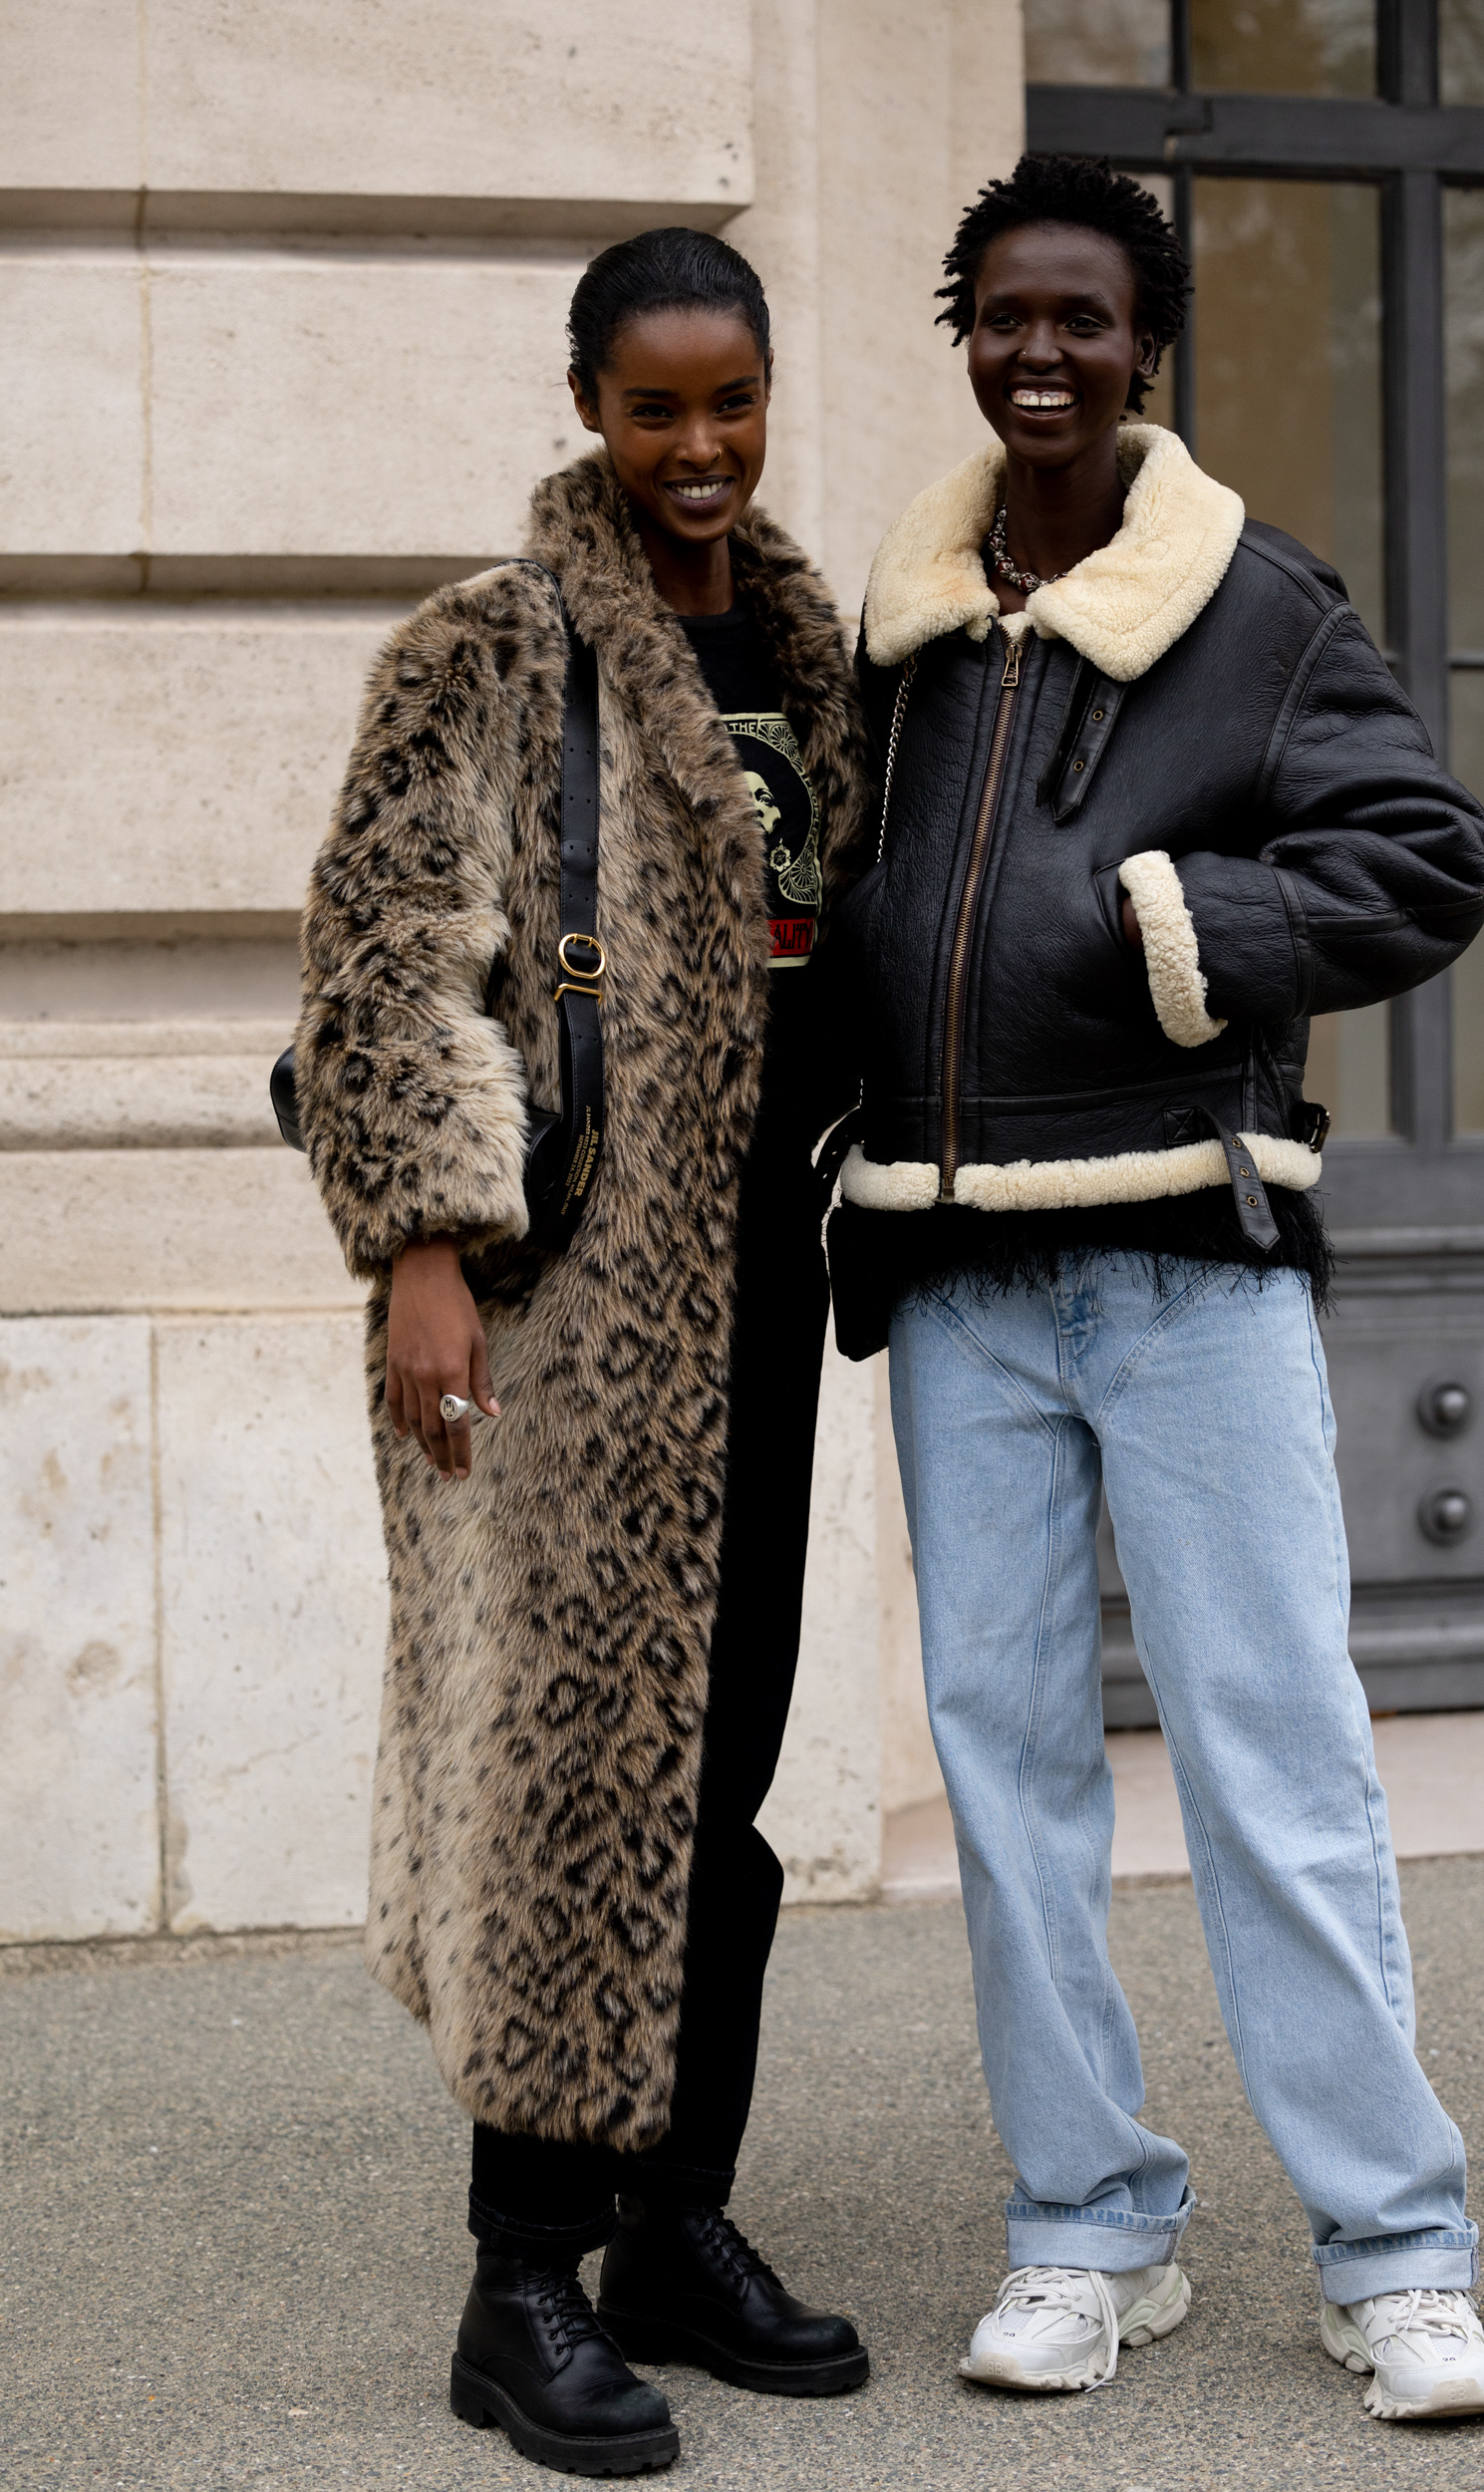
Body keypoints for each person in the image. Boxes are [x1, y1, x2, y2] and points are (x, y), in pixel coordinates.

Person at [829, 156, 1484, 2426]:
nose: (1043, 355)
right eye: (1008, 316)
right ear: (970, 327)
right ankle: (1087, 2227)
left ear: (1150, 348)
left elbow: (1427, 856)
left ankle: (1398, 2251)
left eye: (1086, 323)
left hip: (1190, 1260)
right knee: (1006, 1768)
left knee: (1273, 1760)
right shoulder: (902, 627)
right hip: (960, 1282)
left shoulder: (1261, 608)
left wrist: (1186, 927)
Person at [296, 227, 871, 2478]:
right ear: (587, 404)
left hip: (762, 1285)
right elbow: (378, 959)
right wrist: (431, 1236)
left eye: (731, 399)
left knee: (716, 1767)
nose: (701, 445)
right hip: (561, 1293)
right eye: (656, 407)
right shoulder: (494, 645)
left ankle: (672, 2216)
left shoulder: (815, 652)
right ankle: (518, 2273)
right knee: (566, 1769)